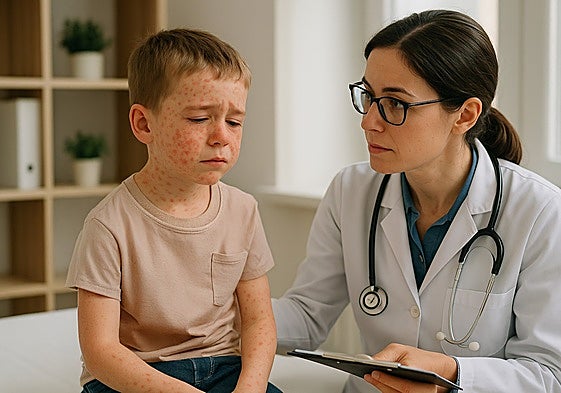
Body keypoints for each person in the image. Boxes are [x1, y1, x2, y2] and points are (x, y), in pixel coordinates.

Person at [273, 9, 561, 393]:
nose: (369, 121)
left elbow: (548, 372)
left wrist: (455, 374)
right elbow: (307, 316)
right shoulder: (352, 190)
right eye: (369, 96)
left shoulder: (539, 212)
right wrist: (209, 310)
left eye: (395, 104)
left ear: (465, 114)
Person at [66, 28, 281, 393]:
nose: (221, 136)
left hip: (223, 368)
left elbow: (259, 321)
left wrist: (251, 386)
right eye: (199, 119)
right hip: (136, 375)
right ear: (144, 124)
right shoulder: (108, 225)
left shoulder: (243, 210)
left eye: (234, 121)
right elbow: (100, 351)